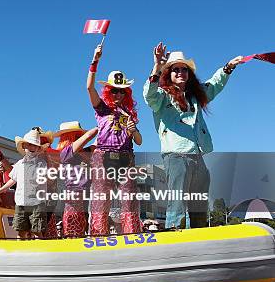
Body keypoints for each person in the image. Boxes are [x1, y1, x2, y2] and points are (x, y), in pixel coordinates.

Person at [143, 43, 245, 229]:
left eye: (184, 69)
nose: (181, 72)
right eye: (176, 70)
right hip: (176, 156)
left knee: (199, 204)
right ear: (169, 74)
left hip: (198, 156)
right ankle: (174, 239)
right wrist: (157, 66)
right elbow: (149, 95)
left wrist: (228, 67)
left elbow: (214, 85)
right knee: (178, 203)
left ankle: (199, 238)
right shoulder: (162, 96)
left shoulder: (194, 96)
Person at [87, 44, 143, 236]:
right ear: (108, 91)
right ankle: (98, 235)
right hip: (104, 156)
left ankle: (132, 234)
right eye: (114, 91)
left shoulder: (130, 114)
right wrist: (95, 61)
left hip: (126, 157)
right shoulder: (102, 109)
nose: (118, 94)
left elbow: (139, 141)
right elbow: (89, 87)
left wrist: (133, 129)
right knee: (102, 198)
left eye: (122, 91)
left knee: (129, 199)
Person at [0, 129, 49, 239]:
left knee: (37, 230)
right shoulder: (20, 163)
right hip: (21, 202)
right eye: (29, 145)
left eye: (34, 145)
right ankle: (21, 249)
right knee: (21, 230)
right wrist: (1, 190)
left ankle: (40, 250)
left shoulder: (41, 163)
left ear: (38, 148)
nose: (31, 147)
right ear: (24, 147)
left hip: (36, 202)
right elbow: (13, 179)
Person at [54, 121, 98, 238]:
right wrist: (103, 124)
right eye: (78, 136)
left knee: (82, 222)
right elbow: (89, 136)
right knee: (73, 223)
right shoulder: (66, 152)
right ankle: (71, 242)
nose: (81, 139)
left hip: (84, 193)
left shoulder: (83, 153)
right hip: (73, 192)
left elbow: (95, 144)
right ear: (70, 138)